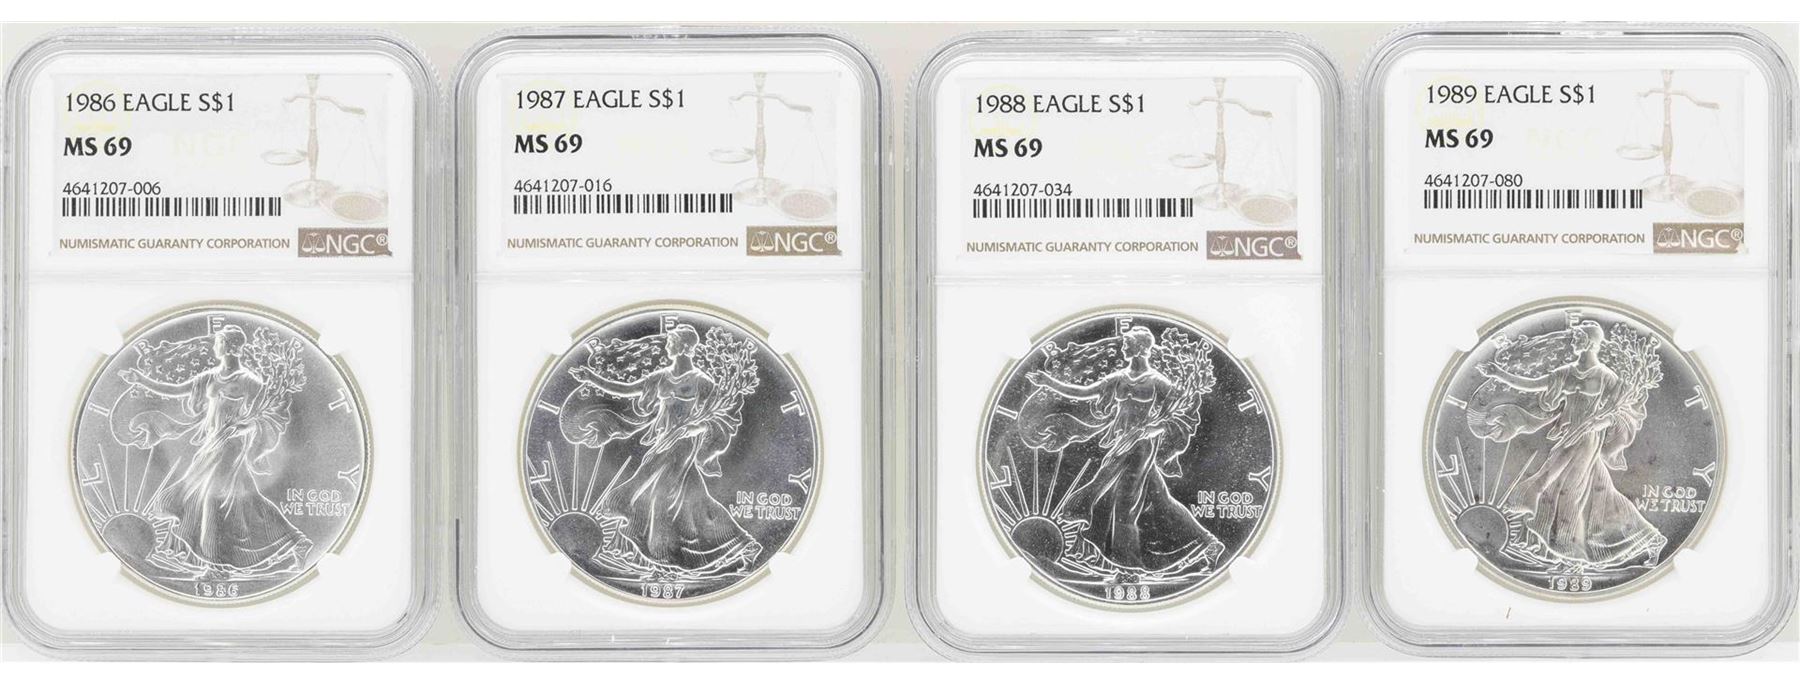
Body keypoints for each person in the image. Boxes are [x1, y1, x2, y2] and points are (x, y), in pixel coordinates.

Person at [1024, 326, 1222, 575]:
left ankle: (1129, 567)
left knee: (1124, 506)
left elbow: (1180, 414)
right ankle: (1209, 544)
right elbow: (1084, 393)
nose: (1123, 347)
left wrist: (1149, 430)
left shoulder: (1157, 382)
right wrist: (1048, 382)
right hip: (1122, 445)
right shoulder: (1118, 379)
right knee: (1162, 500)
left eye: (1128, 344)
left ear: (1139, 348)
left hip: (1140, 448)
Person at [568, 324, 762, 577]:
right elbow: (627, 389)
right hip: (663, 441)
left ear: (683, 346)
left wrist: (693, 428)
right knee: (696, 500)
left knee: (658, 494)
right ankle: (744, 547)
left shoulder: (702, 382)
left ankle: (663, 561)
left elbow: (720, 418)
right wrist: (591, 378)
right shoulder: (660, 377)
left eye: (671, 341)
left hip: (683, 445)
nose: (667, 345)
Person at [122, 325, 310, 579]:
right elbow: (175, 390)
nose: (215, 346)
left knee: (210, 499)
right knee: (247, 500)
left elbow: (269, 412)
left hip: (230, 448)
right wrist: (141, 380)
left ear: (229, 347)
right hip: (211, 445)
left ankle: (216, 567)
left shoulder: (249, 381)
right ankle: (297, 542)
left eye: (218, 342)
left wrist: (246, 427)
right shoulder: (209, 377)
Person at [1475, 320, 1666, 568]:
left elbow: (1621, 413)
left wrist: (1597, 423)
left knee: (1564, 491)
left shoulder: (1606, 377)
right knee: (1599, 494)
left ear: (1589, 342)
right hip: (1569, 438)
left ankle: (1571, 554)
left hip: (1587, 441)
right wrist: (1498, 373)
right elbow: (1533, 385)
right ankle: (1651, 540)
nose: (1573, 340)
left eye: (1578, 337)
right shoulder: (1565, 373)